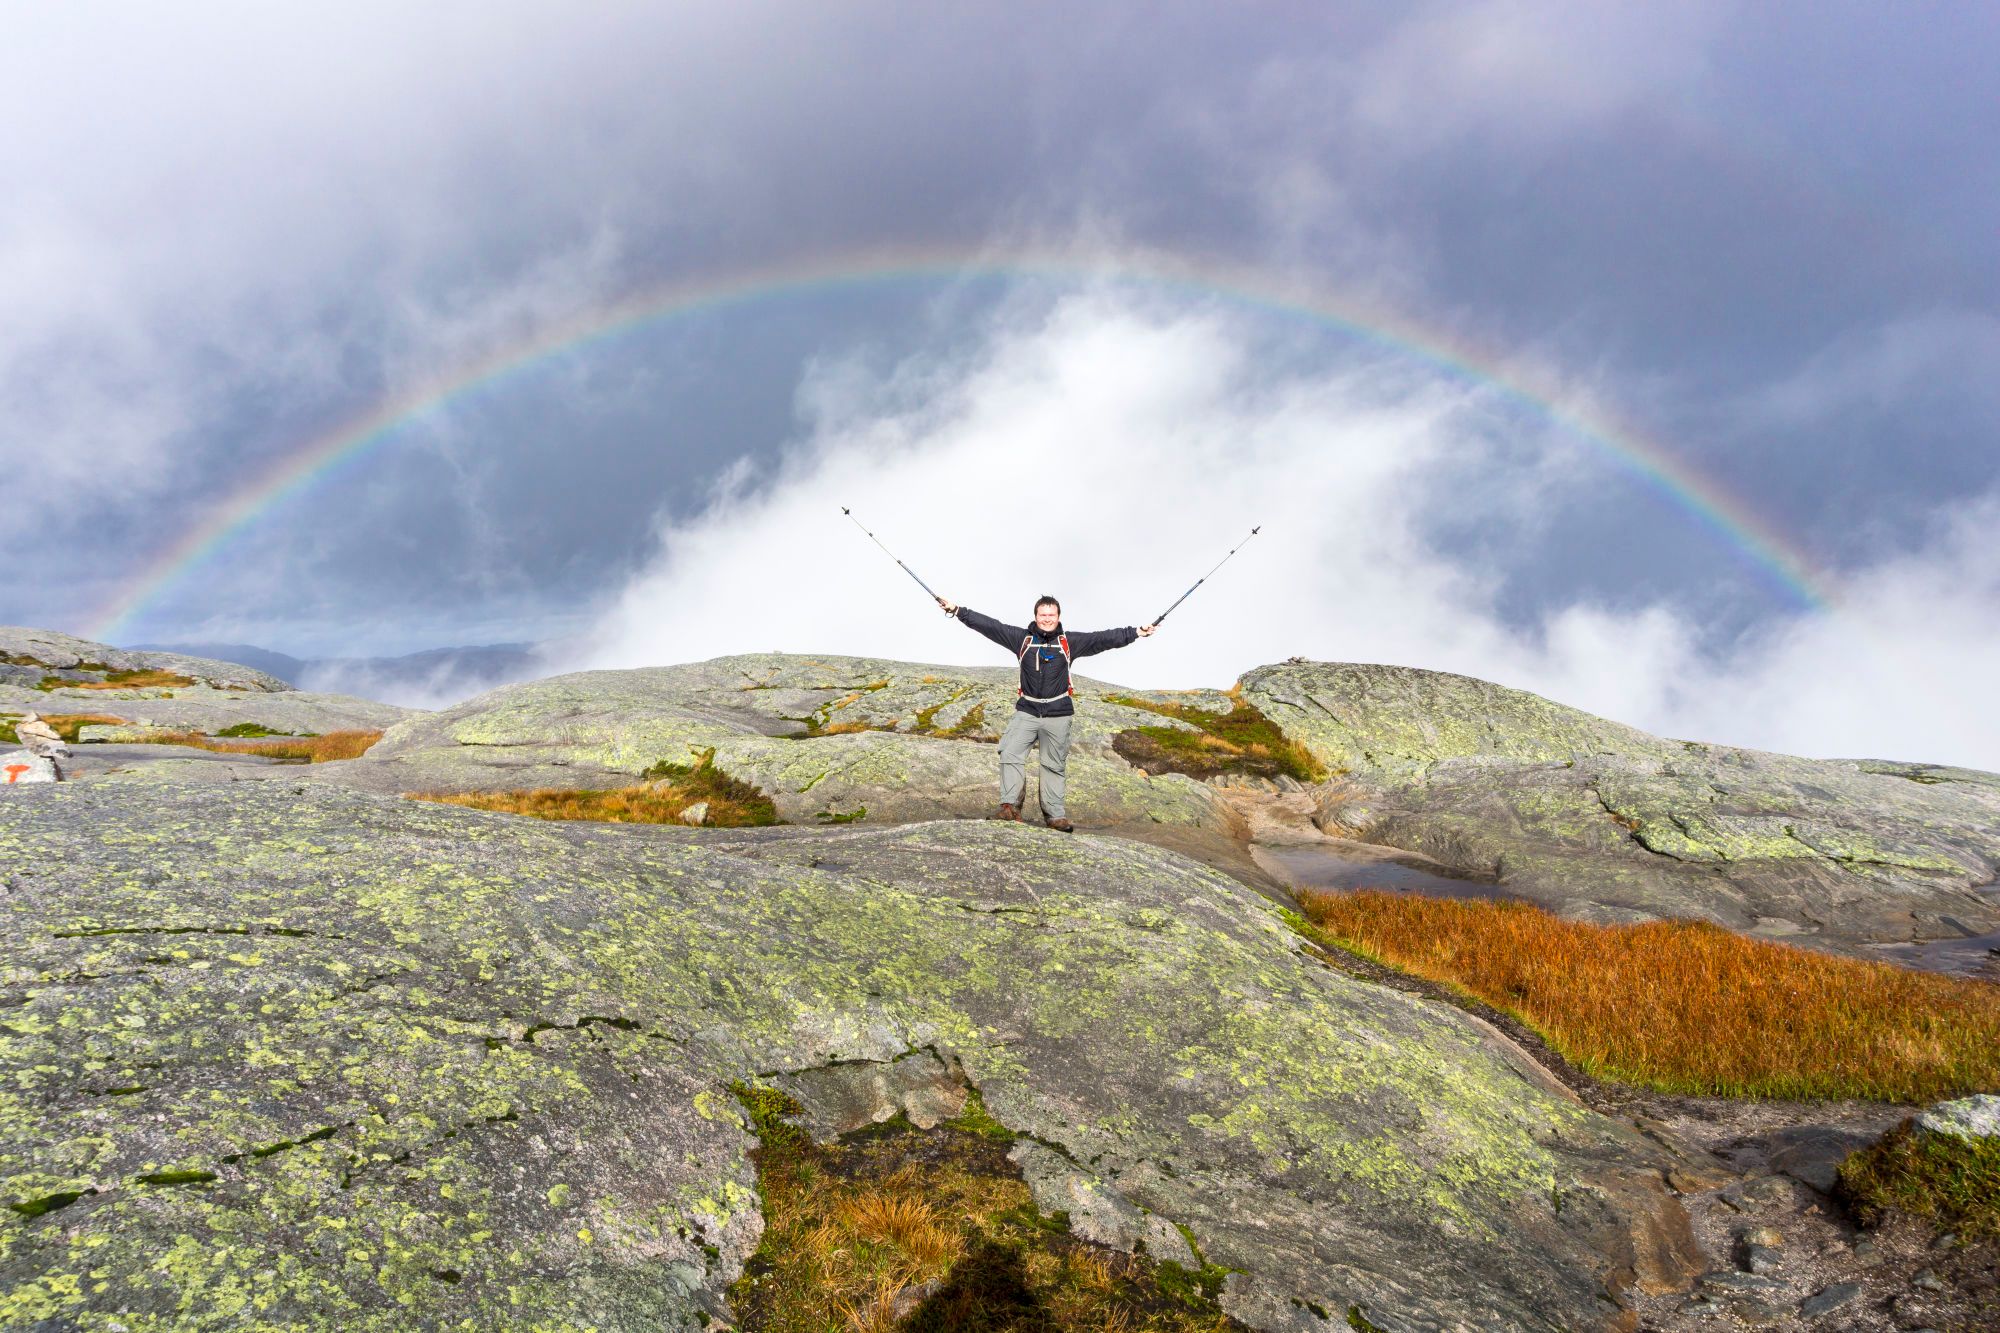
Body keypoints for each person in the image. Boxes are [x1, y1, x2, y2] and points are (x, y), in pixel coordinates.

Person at [934, 594, 1155, 831]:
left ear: (1058, 617)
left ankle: (1055, 816)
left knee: (1053, 765)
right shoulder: (1021, 639)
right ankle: (1010, 808)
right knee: (1010, 752)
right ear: (1036, 617)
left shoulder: (1070, 642)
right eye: (1043, 615)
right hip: (1027, 710)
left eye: (1051, 615)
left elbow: (1103, 638)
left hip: (1059, 713)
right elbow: (991, 626)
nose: (1047, 619)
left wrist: (1136, 632)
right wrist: (958, 610)